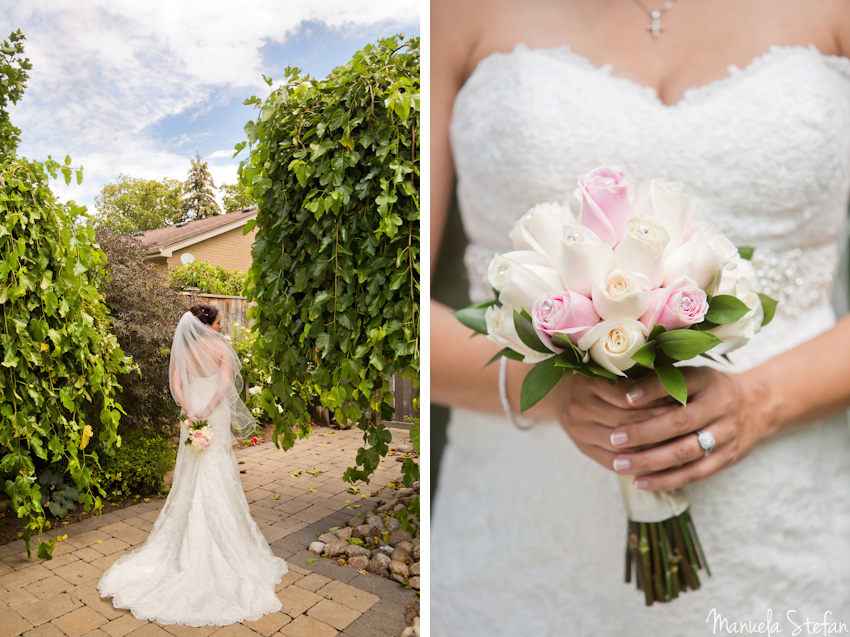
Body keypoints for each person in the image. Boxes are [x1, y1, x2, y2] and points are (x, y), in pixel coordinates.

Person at [430, 0, 850, 634]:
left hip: (787, 515)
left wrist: (760, 402)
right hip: (522, 528)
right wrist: (550, 392)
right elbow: (384, 310)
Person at [97, 304, 288, 627]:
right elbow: (227, 384)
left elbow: (177, 386)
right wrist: (209, 409)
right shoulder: (221, 347)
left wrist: (191, 412)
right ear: (207, 324)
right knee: (218, 471)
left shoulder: (184, 350)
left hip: (193, 418)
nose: (221, 326)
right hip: (213, 415)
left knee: (191, 475)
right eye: (218, 322)